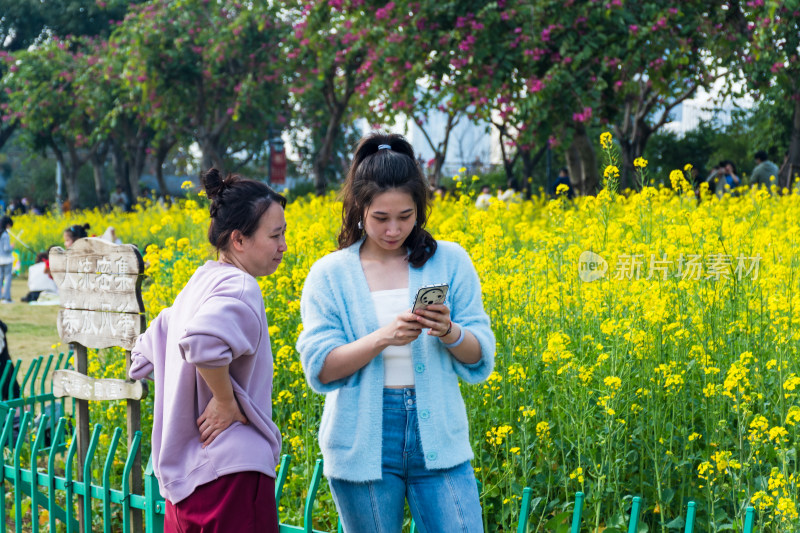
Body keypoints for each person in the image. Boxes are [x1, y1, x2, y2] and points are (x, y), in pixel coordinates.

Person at [297, 133, 495, 532]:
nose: (393, 230)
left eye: (405, 217)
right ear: (358, 209)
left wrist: (450, 332)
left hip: (439, 434)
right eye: (380, 218)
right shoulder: (330, 273)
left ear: (420, 210)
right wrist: (383, 337)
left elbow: (480, 355)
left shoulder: (450, 261)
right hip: (362, 441)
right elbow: (320, 368)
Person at [128, 169, 286, 532]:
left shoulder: (200, 281)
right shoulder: (242, 286)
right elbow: (201, 344)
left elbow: (149, 347)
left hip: (184, 483)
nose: (283, 246)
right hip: (231, 475)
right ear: (239, 240)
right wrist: (226, 399)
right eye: (275, 235)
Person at [0, 216, 14, 303]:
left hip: (0, 260)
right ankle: (6, 297)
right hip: (7, 260)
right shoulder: (5, 235)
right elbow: (6, 248)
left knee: (0, 278)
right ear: (7, 224)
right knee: (8, 279)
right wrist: (11, 247)